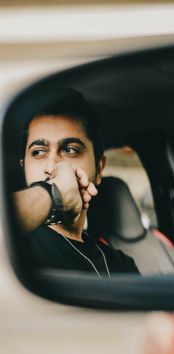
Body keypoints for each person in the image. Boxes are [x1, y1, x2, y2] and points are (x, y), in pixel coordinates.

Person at [14, 89, 140, 277]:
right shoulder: (15, 247)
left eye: (70, 150)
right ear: (24, 168)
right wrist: (54, 195)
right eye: (38, 152)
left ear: (99, 169)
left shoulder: (121, 264)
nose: (51, 166)